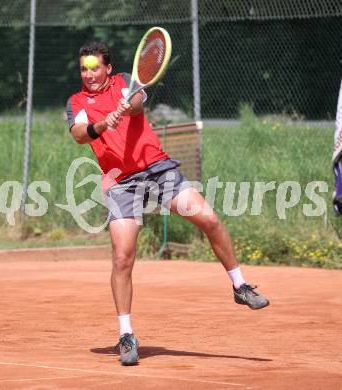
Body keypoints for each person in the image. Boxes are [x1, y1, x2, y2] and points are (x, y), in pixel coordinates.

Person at [66, 41, 269, 366]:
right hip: (120, 181)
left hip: (157, 169)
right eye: (83, 68)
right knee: (122, 258)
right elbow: (78, 133)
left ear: (107, 68)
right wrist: (101, 125)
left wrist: (123, 108)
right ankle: (126, 334)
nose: (88, 74)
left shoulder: (123, 83)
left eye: (94, 68)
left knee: (209, 219)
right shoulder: (77, 101)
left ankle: (240, 285)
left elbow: (135, 102)